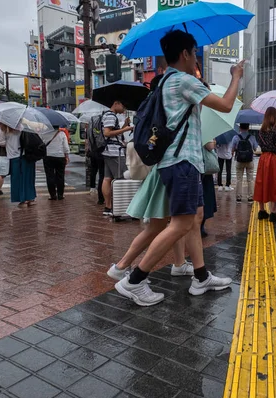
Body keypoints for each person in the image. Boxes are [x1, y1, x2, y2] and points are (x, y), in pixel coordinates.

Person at [113, 29, 244, 306]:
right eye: (194, 52)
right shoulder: (183, 81)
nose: (196, 57)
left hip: (179, 162)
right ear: (185, 54)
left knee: (194, 218)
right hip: (181, 162)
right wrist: (235, 77)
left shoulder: (166, 82)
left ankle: (200, 276)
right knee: (181, 223)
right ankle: (134, 281)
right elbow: (226, 104)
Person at [101, 101, 133, 216]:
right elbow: (107, 133)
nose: (124, 108)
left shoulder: (108, 115)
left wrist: (124, 125)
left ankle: (108, 207)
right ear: (116, 103)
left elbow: (115, 134)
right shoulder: (110, 116)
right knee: (122, 178)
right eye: (123, 105)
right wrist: (126, 129)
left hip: (108, 150)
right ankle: (120, 208)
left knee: (107, 178)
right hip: (114, 152)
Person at [253, 107, 276, 222]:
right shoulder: (275, 132)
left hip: (263, 158)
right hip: (274, 159)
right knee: (274, 184)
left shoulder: (260, 132)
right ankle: (273, 212)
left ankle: (261, 211)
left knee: (261, 182)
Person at [0, 124, 37, 207]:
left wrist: (10, 142)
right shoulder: (23, 125)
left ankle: (22, 200)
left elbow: (1, 143)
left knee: (17, 179)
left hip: (13, 155)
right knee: (28, 177)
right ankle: (30, 198)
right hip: (26, 154)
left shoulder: (3, 128)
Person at [231, 123, 257, 204]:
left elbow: (232, 149)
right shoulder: (252, 137)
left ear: (240, 128)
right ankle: (250, 198)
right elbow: (255, 149)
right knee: (250, 180)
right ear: (248, 127)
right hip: (249, 161)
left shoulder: (236, 137)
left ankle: (238, 198)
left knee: (239, 179)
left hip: (239, 161)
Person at [43, 126, 70, 201]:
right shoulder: (62, 134)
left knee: (49, 175)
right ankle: (60, 194)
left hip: (48, 156)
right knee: (60, 176)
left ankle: (52, 195)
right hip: (60, 156)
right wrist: (67, 156)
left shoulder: (45, 134)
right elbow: (65, 147)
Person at [202, 141, 218, 237]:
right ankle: (200, 226)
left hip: (196, 167)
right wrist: (213, 142)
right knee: (205, 198)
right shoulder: (204, 129)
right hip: (204, 170)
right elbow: (210, 146)